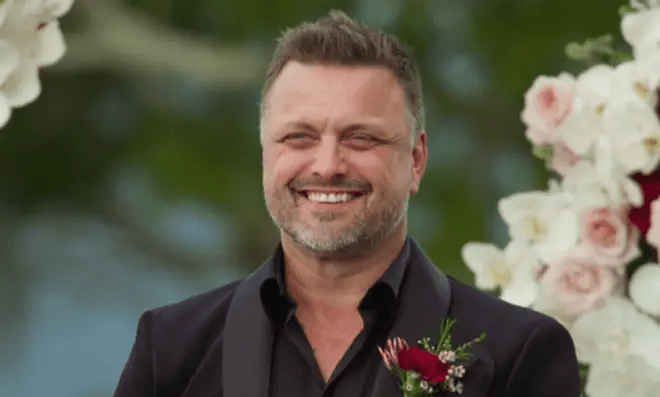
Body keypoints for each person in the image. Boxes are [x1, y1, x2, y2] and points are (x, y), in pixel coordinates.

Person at [114, 10, 580, 397]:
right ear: (266, 153)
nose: (327, 164)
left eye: (361, 138)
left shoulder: (521, 353)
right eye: (299, 137)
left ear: (416, 160)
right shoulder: (170, 348)